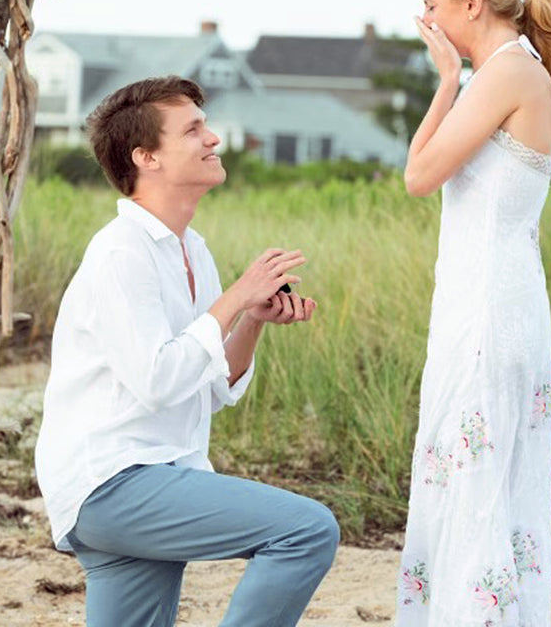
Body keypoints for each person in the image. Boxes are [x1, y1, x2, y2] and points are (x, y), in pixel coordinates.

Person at [34, 76, 339, 627]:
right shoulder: (120, 253)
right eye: (193, 130)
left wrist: (250, 318)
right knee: (306, 531)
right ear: (146, 157)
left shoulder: (192, 249)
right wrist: (234, 298)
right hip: (113, 478)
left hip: (155, 471)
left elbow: (212, 387)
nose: (213, 138)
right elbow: (157, 381)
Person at [397, 0, 551, 625]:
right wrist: (450, 82)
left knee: (477, 488)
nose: (426, 19)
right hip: (488, 300)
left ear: (471, 3)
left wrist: (446, 80)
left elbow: (417, 176)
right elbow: (424, 170)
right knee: (475, 480)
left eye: (432, 5)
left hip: (489, 311)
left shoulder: (506, 73)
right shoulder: (506, 71)